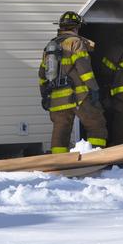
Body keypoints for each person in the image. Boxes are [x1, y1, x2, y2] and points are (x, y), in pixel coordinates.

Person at [38, 11, 107, 153]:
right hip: (78, 95)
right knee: (96, 123)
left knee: (61, 129)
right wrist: (94, 88)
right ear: (76, 28)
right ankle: (96, 154)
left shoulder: (50, 47)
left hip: (56, 98)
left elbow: (42, 75)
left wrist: (45, 96)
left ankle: (59, 159)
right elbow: (84, 69)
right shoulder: (76, 42)